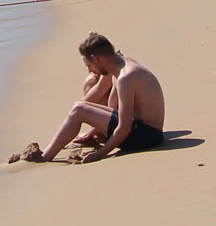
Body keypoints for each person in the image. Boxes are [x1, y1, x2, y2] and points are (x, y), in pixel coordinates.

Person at [16, 33, 166, 163]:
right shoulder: (120, 65)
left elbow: (124, 127)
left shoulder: (126, 77)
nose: (89, 70)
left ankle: (44, 157)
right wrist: (93, 132)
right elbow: (112, 108)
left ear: (96, 59)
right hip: (141, 129)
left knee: (79, 110)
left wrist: (99, 155)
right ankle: (49, 152)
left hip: (148, 137)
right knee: (80, 106)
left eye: (89, 65)